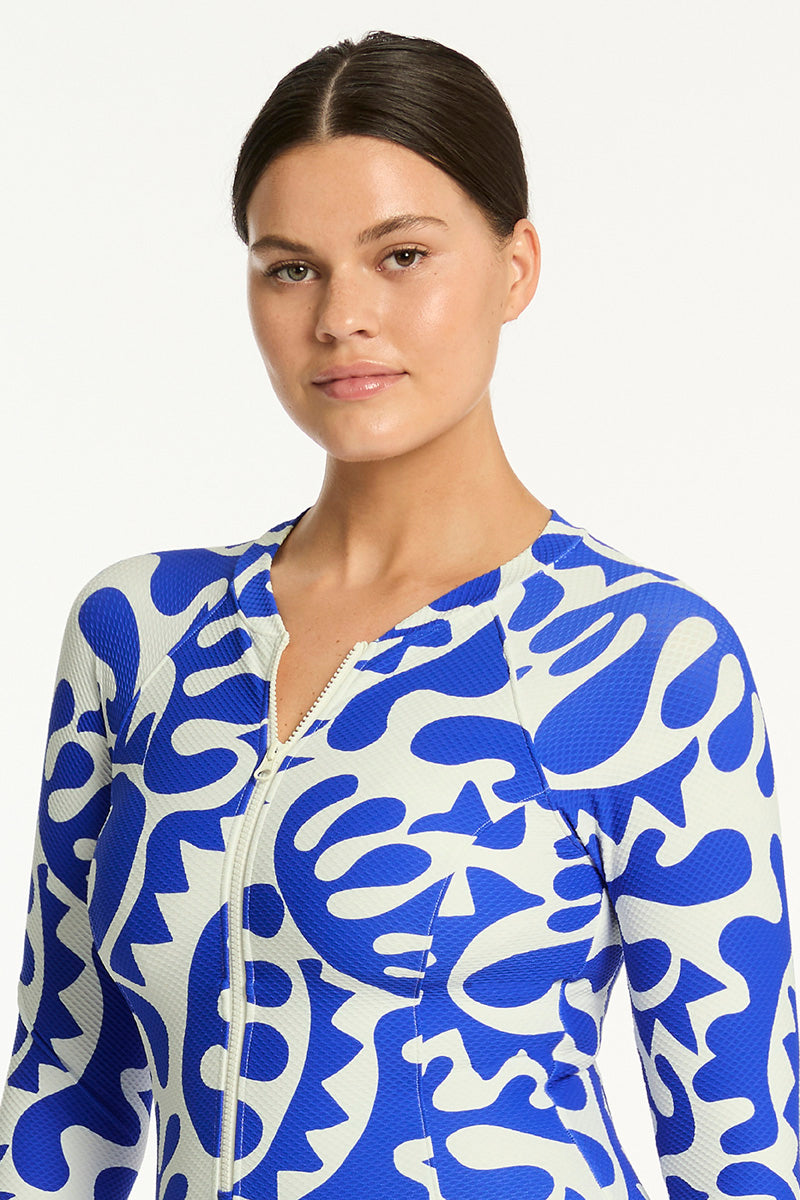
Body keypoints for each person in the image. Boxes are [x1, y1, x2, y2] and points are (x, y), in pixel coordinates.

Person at [0, 27, 796, 1200]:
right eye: (290, 268)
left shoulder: (642, 657)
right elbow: (62, 1090)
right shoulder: (141, 633)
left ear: (514, 267)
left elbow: (741, 1150)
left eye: (402, 255)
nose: (340, 317)